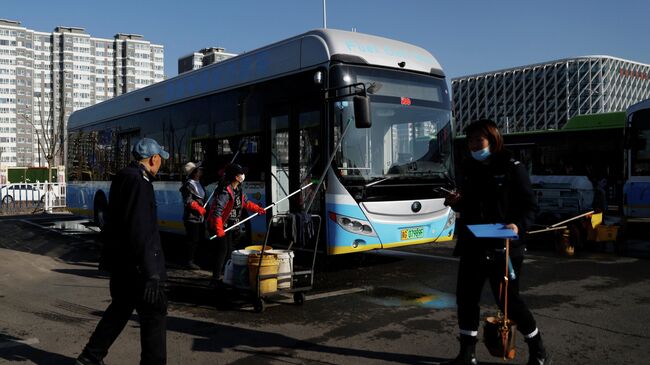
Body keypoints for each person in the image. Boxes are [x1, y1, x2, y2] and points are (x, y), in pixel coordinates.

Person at [443, 119, 550, 365]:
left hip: (505, 246)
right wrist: (455, 201)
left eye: (478, 141)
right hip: (473, 243)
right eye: (470, 141)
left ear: (493, 140)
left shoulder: (512, 167)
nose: (473, 146)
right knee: (466, 299)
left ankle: (538, 350)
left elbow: (530, 206)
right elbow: (471, 206)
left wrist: (518, 225)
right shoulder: (468, 168)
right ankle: (467, 355)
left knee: (510, 303)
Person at [76, 138, 169, 365]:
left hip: (122, 263)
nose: (162, 164)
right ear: (153, 158)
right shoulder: (140, 182)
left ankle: (90, 357)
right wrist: (152, 272)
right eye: (161, 159)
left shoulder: (123, 177)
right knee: (154, 316)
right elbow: (142, 229)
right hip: (139, 267)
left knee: (119, 310)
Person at [206, 163, 266, 286]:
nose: (243, 175)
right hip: (219, 225)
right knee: (222, 251)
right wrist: (219, 229)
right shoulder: (225, 191)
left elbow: (245, 203)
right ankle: (215, 279)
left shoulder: (238, 189)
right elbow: (217, 211)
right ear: (235, 176)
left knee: (230, 251)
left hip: (229, 225)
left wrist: (257, 209)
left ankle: (228, 276)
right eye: (241, 173)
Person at [179, 161, 206, 270]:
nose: (201, 170)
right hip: (192, 218)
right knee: (192, 240)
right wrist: (199, 208)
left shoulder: (199, 182)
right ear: (194, 172)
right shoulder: (188, 185)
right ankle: (189, 261)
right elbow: (188, 201)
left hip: (200, 218)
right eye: (199, 169)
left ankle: (198, 259)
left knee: (200, 239)